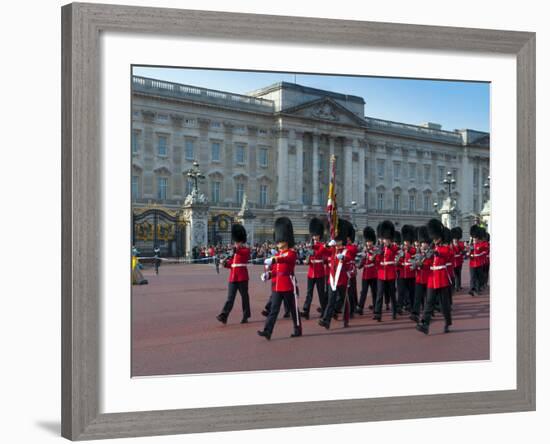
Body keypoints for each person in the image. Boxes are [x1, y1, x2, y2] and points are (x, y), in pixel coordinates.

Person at [258, 217, 302, 340]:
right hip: (277, 286)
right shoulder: (278, 254)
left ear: (286, 240)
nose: (278, 244)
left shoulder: (291, 253)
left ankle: (297, 329)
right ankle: (267, 331)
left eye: (280, 241)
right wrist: (268, 275)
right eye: (277, 241)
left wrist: (274, 259)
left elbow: (286, 260)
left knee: (293, 309)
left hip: (288, 285)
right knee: (274, 310)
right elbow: (276, 271)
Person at [416, 219, 453, 334]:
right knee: (429, 302)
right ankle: (425, 324)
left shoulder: (445, 248)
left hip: (442, 278)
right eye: (434, 238)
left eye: (436, 238)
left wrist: (437, 253)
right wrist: (421, 263)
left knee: (444, 304)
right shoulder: (431, 249)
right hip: (432, 279)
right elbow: (428, 263)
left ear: (440, 237)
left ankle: (447, 322)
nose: (435, 240)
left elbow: (448, 255)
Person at [318, 219, 353, 329]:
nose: (336, 241)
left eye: (337, 239)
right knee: (331, 300)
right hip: (332, 279)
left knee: (344, 300)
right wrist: (327, 245)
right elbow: (320, 252)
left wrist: (343, 257)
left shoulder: (346, 250)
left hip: (342, 278)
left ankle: (346, 319)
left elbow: (349, 257)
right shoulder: (332, 250)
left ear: (341, 240)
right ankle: (326, 321)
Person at [216, 224, 251, 324]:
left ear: (241, 241)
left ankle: (246, 315)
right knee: (230, 298)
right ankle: (224, 315)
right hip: (233, 277)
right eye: (235, 242)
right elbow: (232, 264)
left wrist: (235, 250)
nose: (236, 244)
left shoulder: (245, 250)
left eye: (237, 242)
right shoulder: (235, 252)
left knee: (244, 297)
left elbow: (242, 254)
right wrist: (224, 263)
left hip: (242, 277)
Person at [300, 217, 328, 319]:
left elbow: (322, 254)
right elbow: (308, 257)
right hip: (311, 272)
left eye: (315, 235)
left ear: (319, 235)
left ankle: (325, 310)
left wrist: (313, 248)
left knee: (321, 293)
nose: (314, 237)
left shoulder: (322, 245)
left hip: (320, 272)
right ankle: (306, 310)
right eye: (313, 235)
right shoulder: (310, 246)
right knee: (309, 293)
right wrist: (307, 260)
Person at [373, 220, 399, 321]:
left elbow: (396, 253)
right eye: (384, 239)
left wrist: (389, 247)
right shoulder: (380, 248)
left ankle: (394, 312)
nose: (385, 241)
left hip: (391, 274)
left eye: (387, 239)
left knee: (392, 294)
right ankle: (378, 313)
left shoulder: (394, 247)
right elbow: (377, 261)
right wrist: (375, 257)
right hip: (381, 274)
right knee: (380, 294)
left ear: (390, 239)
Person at [409, 226, 431, 323]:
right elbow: (414, 262)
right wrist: (414, 265)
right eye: (421, 243)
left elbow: (430, 264)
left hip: (428, 278)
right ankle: (415, 313)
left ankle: (427, 314)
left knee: (427, 299)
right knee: (417, 297)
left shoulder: (430, 253)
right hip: (418, 278)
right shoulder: (417, 252)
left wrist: (421, 264)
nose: (422, 245)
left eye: (424, 243)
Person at [356, 226, 378, 315]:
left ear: (373, 242)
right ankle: (360, 307)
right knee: (363, 291)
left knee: (374, 291)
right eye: (367, 241)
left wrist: (371, 255)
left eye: (370, 241)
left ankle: (376, 306)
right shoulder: (364, 251)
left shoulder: (376, 250)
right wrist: (361, 260)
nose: (368, 243)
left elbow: (377, 262)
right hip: (365, 274)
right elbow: (360, 264)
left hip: (373, 274)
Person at [398, 225, 417, 312]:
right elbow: (399, 261)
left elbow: (414, 255)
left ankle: (412, 306)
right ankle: (400, 307)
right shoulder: (401, 250)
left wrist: (408, 249)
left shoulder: (413, 250)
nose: (406, 243)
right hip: (402, 273)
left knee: (411, 292)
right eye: (405, 241)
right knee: (401, 291)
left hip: (411, 274)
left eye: (407, 241)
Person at [468, 225, 488, 296]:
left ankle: (477, 288)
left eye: (475, 239)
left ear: (477, 238)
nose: (474, 240)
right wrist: (469, 253)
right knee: (472, 277)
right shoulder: (471, 246)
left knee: (479, 277)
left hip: (479, 263)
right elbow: (468, 255)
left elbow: (484, 252)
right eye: (473, 239)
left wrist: (480, 252)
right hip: (472, 263)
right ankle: (471, 289)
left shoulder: (481, 245)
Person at [451, 227, 465, 292]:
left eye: (456, 238)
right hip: (453, 261)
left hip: (459, 260)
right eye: (454, 238)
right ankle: (454, 286)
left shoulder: (460, 243)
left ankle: (458, 286)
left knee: (458, 274)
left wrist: (457, 246)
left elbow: (462, 250)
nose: (455, 239)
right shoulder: (451, 244)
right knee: (454, 274)